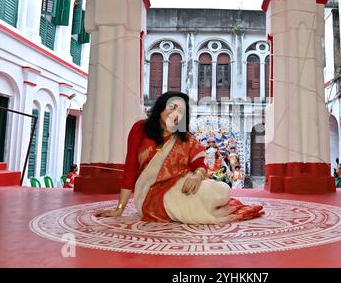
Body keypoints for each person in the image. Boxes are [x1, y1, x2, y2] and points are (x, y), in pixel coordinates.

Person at [95, 92, 263, 224]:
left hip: (182, 183)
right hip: (150, 192)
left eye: (180, 111)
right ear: (161, 107)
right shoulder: (140, 128)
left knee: (218, 190)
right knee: (203, 200)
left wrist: (197, 176)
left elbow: (199, 164)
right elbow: (130, 167)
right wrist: (119, 208)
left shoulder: (185, 138)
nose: (175, 113)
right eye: (172, 107)